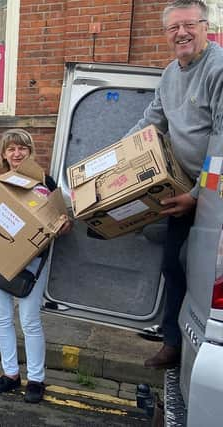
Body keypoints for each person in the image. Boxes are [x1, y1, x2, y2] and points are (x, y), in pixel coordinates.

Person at [126, 0, 223, 369]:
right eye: (173, 28)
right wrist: (108, 164)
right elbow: (151, 123)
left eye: (189, 25)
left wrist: (198, 195)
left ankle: (199, 350)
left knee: (207, 277)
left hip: (214, 194)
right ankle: (174, 341)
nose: (181, 33)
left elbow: (221, 139)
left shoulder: (219, 68)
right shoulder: (169, 74)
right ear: (166, 33)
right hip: (184, 191)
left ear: (205, 26)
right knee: (173, 264)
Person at [0, 129, 72, 403]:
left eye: (22, 148)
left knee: (29, 320)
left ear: (31, 152)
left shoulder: (45, 181)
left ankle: (36, 379)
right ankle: (10, 374)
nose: (17, 153)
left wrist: (64, 224)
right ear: (3, 155)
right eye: (11, 149)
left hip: (34, 260)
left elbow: (61, 218)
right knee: (1, 317)